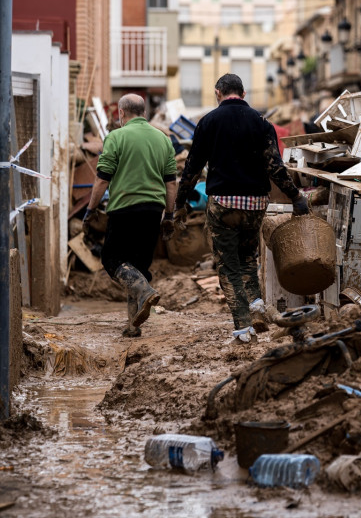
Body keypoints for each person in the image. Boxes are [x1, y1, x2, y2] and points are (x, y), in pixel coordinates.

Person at [173, 73, 309, 343]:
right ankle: (257, 306)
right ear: (243, 94)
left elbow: (192, 169)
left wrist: (180, 203)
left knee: (228, 265)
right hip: (256, 203)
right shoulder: (261, 123)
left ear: (217, 92)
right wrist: (296, 197)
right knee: (249, 258)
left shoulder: (208, 122)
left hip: (223, 204)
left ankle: (243, 329)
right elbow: (275, 167)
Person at [83, 93, 177, 337]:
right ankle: (132, 325)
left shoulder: (115, 137)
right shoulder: (163, 139)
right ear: (144, 113)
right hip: (152, 212)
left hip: (124, 210)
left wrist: (90, 210)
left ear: (122, 114)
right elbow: (171, 184)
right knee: (137, 267)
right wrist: (168, 215)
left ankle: (145, 293)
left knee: (112, 260)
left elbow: (102, 179)